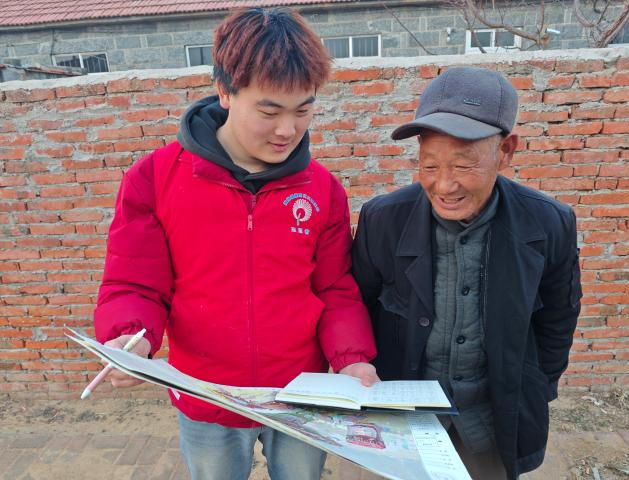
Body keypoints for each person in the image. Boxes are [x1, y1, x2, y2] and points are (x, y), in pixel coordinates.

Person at [93, 7, 378, 480]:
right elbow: (136, 283)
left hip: (300, 394)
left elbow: (334, 289)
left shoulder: (322, 189)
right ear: (225, 91)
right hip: (207, 395)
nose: (287, 130)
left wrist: (353, 361)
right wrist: (130, 337)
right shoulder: (155, 180)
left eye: (303, 110)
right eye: (269, 110)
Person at [351, 66, 582, 480]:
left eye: (463, 166)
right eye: (429, 166)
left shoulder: (549, 224)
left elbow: (558, 320)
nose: (444, 186)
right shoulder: (383, 220)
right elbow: (356, 305)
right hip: (402, 421)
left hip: (490, 424)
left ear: (506, 151)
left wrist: (534, 388)